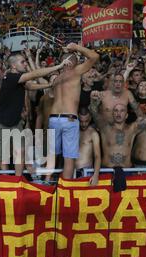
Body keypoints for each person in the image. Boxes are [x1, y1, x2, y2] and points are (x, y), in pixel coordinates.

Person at [0, 52, 72, 176]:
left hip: (15, 122)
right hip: (2, 124)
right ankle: (7, 184)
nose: (25, 64)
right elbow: (34, 74)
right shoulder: (11, 77)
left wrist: (49, 84)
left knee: (21, 151)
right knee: (3, 157)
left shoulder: (16, 77)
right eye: (22, 62)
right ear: (13, 66)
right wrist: (59, 66)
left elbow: (29, 86)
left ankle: (18, 181)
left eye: (25, 61)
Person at [46, 42, 99, 179]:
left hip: (53, 118)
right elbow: (94, 57)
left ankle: (46, 183)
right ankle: (66, 189)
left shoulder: (57, 78)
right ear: (73, 63)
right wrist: (76, 47)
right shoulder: (76, 72)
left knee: (52, 155)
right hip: (68, 119)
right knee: (69, 159)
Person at [75, 108, 101, 185]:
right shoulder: (73, 131)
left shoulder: (93, 134)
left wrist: (96, 175)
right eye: (81, 121)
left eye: (86, 121)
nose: (83, 124)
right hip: (72, 172)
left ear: (90, 118)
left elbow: (97, 156)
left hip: (86, 173)